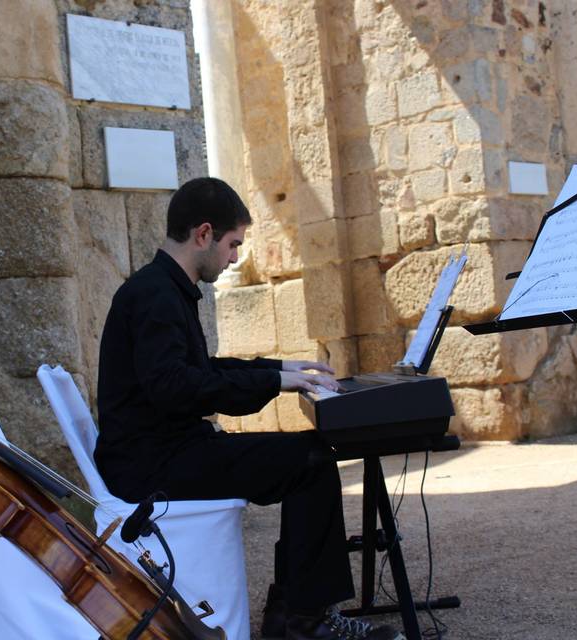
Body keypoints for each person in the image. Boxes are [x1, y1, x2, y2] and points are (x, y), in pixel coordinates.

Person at [95, 177, 402, 640]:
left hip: (165, 451)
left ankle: (293, 612)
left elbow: (199, 369)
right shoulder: (155, 295)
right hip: (152, 465)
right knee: (311, 461)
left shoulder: (162, 288)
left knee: (309, 456)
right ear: (203, 235)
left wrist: (277, 367)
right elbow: (178, 387)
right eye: (233, 244)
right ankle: (304, 622)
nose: (236, 256)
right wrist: (274, 381)